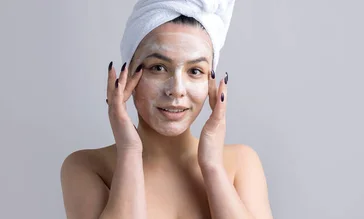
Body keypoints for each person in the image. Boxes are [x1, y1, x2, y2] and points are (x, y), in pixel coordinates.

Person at [60, 0, 273, 218]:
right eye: (158, 68)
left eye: (195, 71)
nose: (177, 90)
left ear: (211, 83)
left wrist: (212, 167)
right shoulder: (87, 167)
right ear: (128, 76)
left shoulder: (241, 163)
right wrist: (129, 151)